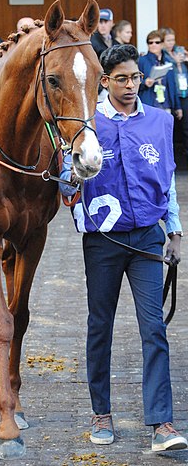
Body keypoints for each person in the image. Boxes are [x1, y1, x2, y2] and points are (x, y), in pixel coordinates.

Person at [59, 44, 187, 452]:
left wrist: (176, 231)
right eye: (121, 79)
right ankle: (101, 413)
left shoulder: (159, 121)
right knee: (101, 327)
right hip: (103, 241)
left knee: (154, 328)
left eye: (134, 77)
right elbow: (64, 184)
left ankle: (162, 424)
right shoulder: (87, 121)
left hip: (149, 238)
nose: (130, 85)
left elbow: (166, 180)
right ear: (105, 81)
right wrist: (75, 172)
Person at [138, 30, 182, 118]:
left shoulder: (168, 62)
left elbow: (173, 85)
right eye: (150, 42)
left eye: (157, 42)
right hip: (149, 103)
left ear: (162, 44)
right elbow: (135, 81)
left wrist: (178, 106)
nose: (153, 45)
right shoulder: (142, 60)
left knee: (165, 130)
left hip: (166, 104)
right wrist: (145, 83)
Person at [161, 27, 188, 166]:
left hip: (184, 94)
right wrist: (175, 62)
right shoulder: (163, 56)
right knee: (171, 128)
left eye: (173, 40)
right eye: (168, 40)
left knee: (185, 127)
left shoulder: (180, 51)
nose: (171, 43)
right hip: (171, 95)